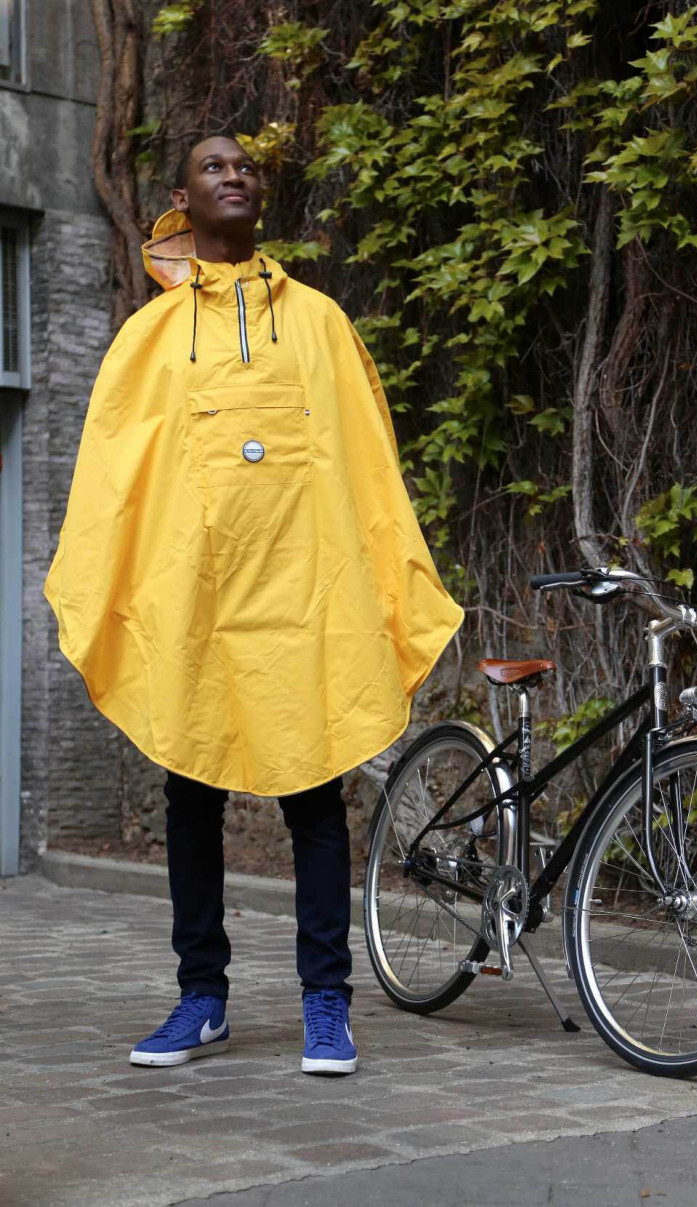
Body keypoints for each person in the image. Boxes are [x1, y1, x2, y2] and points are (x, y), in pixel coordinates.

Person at [42, 134, 465, 1075]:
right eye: (213, 167)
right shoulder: (151, 336)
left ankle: (327, 1002)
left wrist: (381, 576)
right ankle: (202, 998)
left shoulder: (316, 322)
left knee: (313, 795)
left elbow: (364, 463)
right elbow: (118, 473)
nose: (235, 174)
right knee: (190, 791)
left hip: (299, 601)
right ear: (180, 202)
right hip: (194, 602)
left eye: (246, 166)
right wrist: (112, 583)